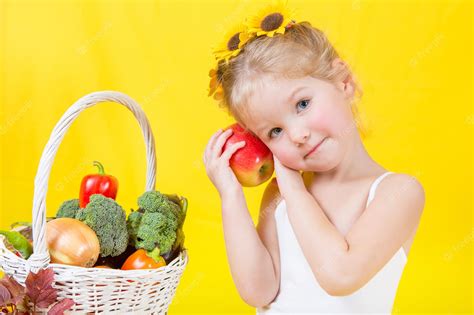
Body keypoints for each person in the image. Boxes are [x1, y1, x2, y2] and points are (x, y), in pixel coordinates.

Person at [203, 2, 425, 314]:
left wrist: (295, 191)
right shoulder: (278, 196)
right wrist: (231, 196)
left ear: (343, 81)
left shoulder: (397, 192)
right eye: (275, 131)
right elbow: (259, 291)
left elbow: (340, 275)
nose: (296, 135)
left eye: (303, 104)